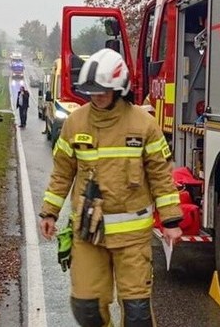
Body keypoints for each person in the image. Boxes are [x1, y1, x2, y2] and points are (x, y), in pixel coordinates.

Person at [39, 48, 183, 327]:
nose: (97, 96)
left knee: (137, 315)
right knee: (86, 308)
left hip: (132, 238)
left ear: (120, 88)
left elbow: (160, 176)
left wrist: (171, 220)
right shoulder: (74, 123)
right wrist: (49, 213)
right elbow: (61, 173)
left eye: (103, 90)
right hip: (88, 233)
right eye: (92, 91)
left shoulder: (144, 125)